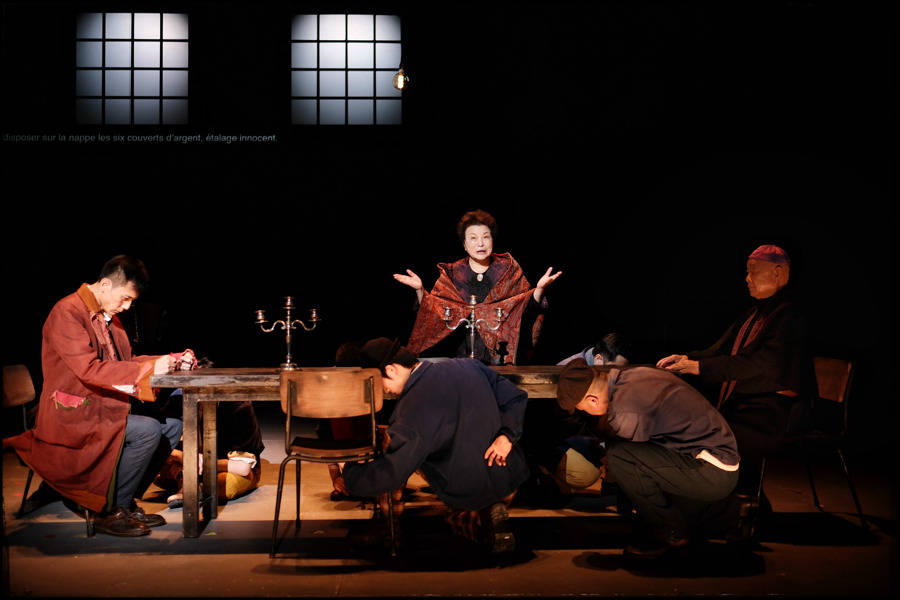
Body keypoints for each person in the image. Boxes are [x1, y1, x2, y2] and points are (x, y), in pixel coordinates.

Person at [3, 255, 195, 536]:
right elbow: (89, 369)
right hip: (73, 414)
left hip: (103, 407)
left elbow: (126, 362)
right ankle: (107, 512)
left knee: (172, 426)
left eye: (131, 301)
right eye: (125, 298)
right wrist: (152, 368)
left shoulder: (109, 319)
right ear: (105, 285)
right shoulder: (67, 312)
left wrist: (171, 360)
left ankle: (123, 502)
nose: (127, 307)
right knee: (148, 430)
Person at [655, 244, 814, 507]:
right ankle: (726, 505)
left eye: (754, 271)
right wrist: (686, 359)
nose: (747, 278)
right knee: (689, 425)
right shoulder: (755, 313)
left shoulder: (791, 317)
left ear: (778, 273)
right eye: (747, 271)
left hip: (777, 414)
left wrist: (698, 367)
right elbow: (720, 350)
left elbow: (758, 365)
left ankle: (729, 505)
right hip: (750, 409)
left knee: (705, 434)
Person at [341, 337, 529, 552]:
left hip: (468, 489)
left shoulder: (411, 410)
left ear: (391, 370)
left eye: (380, 384)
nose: (384, 391)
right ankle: (492, 508)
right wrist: (507, 436)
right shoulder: (468, 365)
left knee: (396, 445)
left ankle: (392, 527)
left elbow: (393, 471)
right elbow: (516, 397)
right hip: (508, 475)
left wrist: (351, 475)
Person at [557, 359, 740, 559]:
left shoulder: (624, 411)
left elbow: (631, 465)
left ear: (592, 400)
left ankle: (671, 534)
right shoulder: (633, 374)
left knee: (621, 457)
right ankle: (718, 514)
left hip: (712, 472)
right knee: (631, 460)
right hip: (720, 460)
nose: (585, 412)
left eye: (582, 408)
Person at [393, 209, 562, 365]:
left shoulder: (507, 269)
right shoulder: (453, 273)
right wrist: (420, 290)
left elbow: (524, 307)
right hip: (460, 357)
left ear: (492, 240)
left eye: (486, 237)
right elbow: (434, 310)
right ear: (465, 245)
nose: (480, 243)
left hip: (499, 357)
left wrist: (539, 289)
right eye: (473, 238)